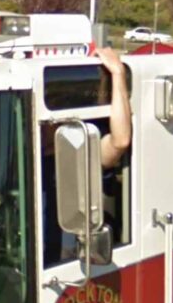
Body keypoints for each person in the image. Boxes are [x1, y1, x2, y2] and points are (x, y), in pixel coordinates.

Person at [41, 47, 133, 264]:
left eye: (52, 121)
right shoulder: (25, 160)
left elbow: (120, 141)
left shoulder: (80, 157)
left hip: (65, 259)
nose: (47, 128)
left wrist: (117, 74)